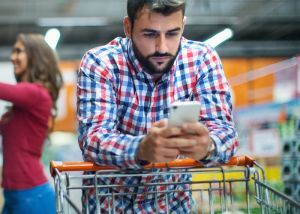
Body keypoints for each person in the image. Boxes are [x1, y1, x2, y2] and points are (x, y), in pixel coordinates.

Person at [77, 0, 238, 213]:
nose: (162, 47)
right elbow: (93, 138)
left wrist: (208, 146)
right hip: (110, 204)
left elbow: (226, 134)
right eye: (150, 34)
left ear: (183, 25)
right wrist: (142, 149)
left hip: (173, 205)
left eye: (172, 33)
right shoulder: (100, 63)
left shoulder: (202, 60)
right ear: (128, 27)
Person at [0, 33, 63, 213]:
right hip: (14, 194)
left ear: (35, 56)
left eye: (18, 51)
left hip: (31, 195)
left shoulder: (37, 94)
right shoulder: (22, 104)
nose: (12, 57)